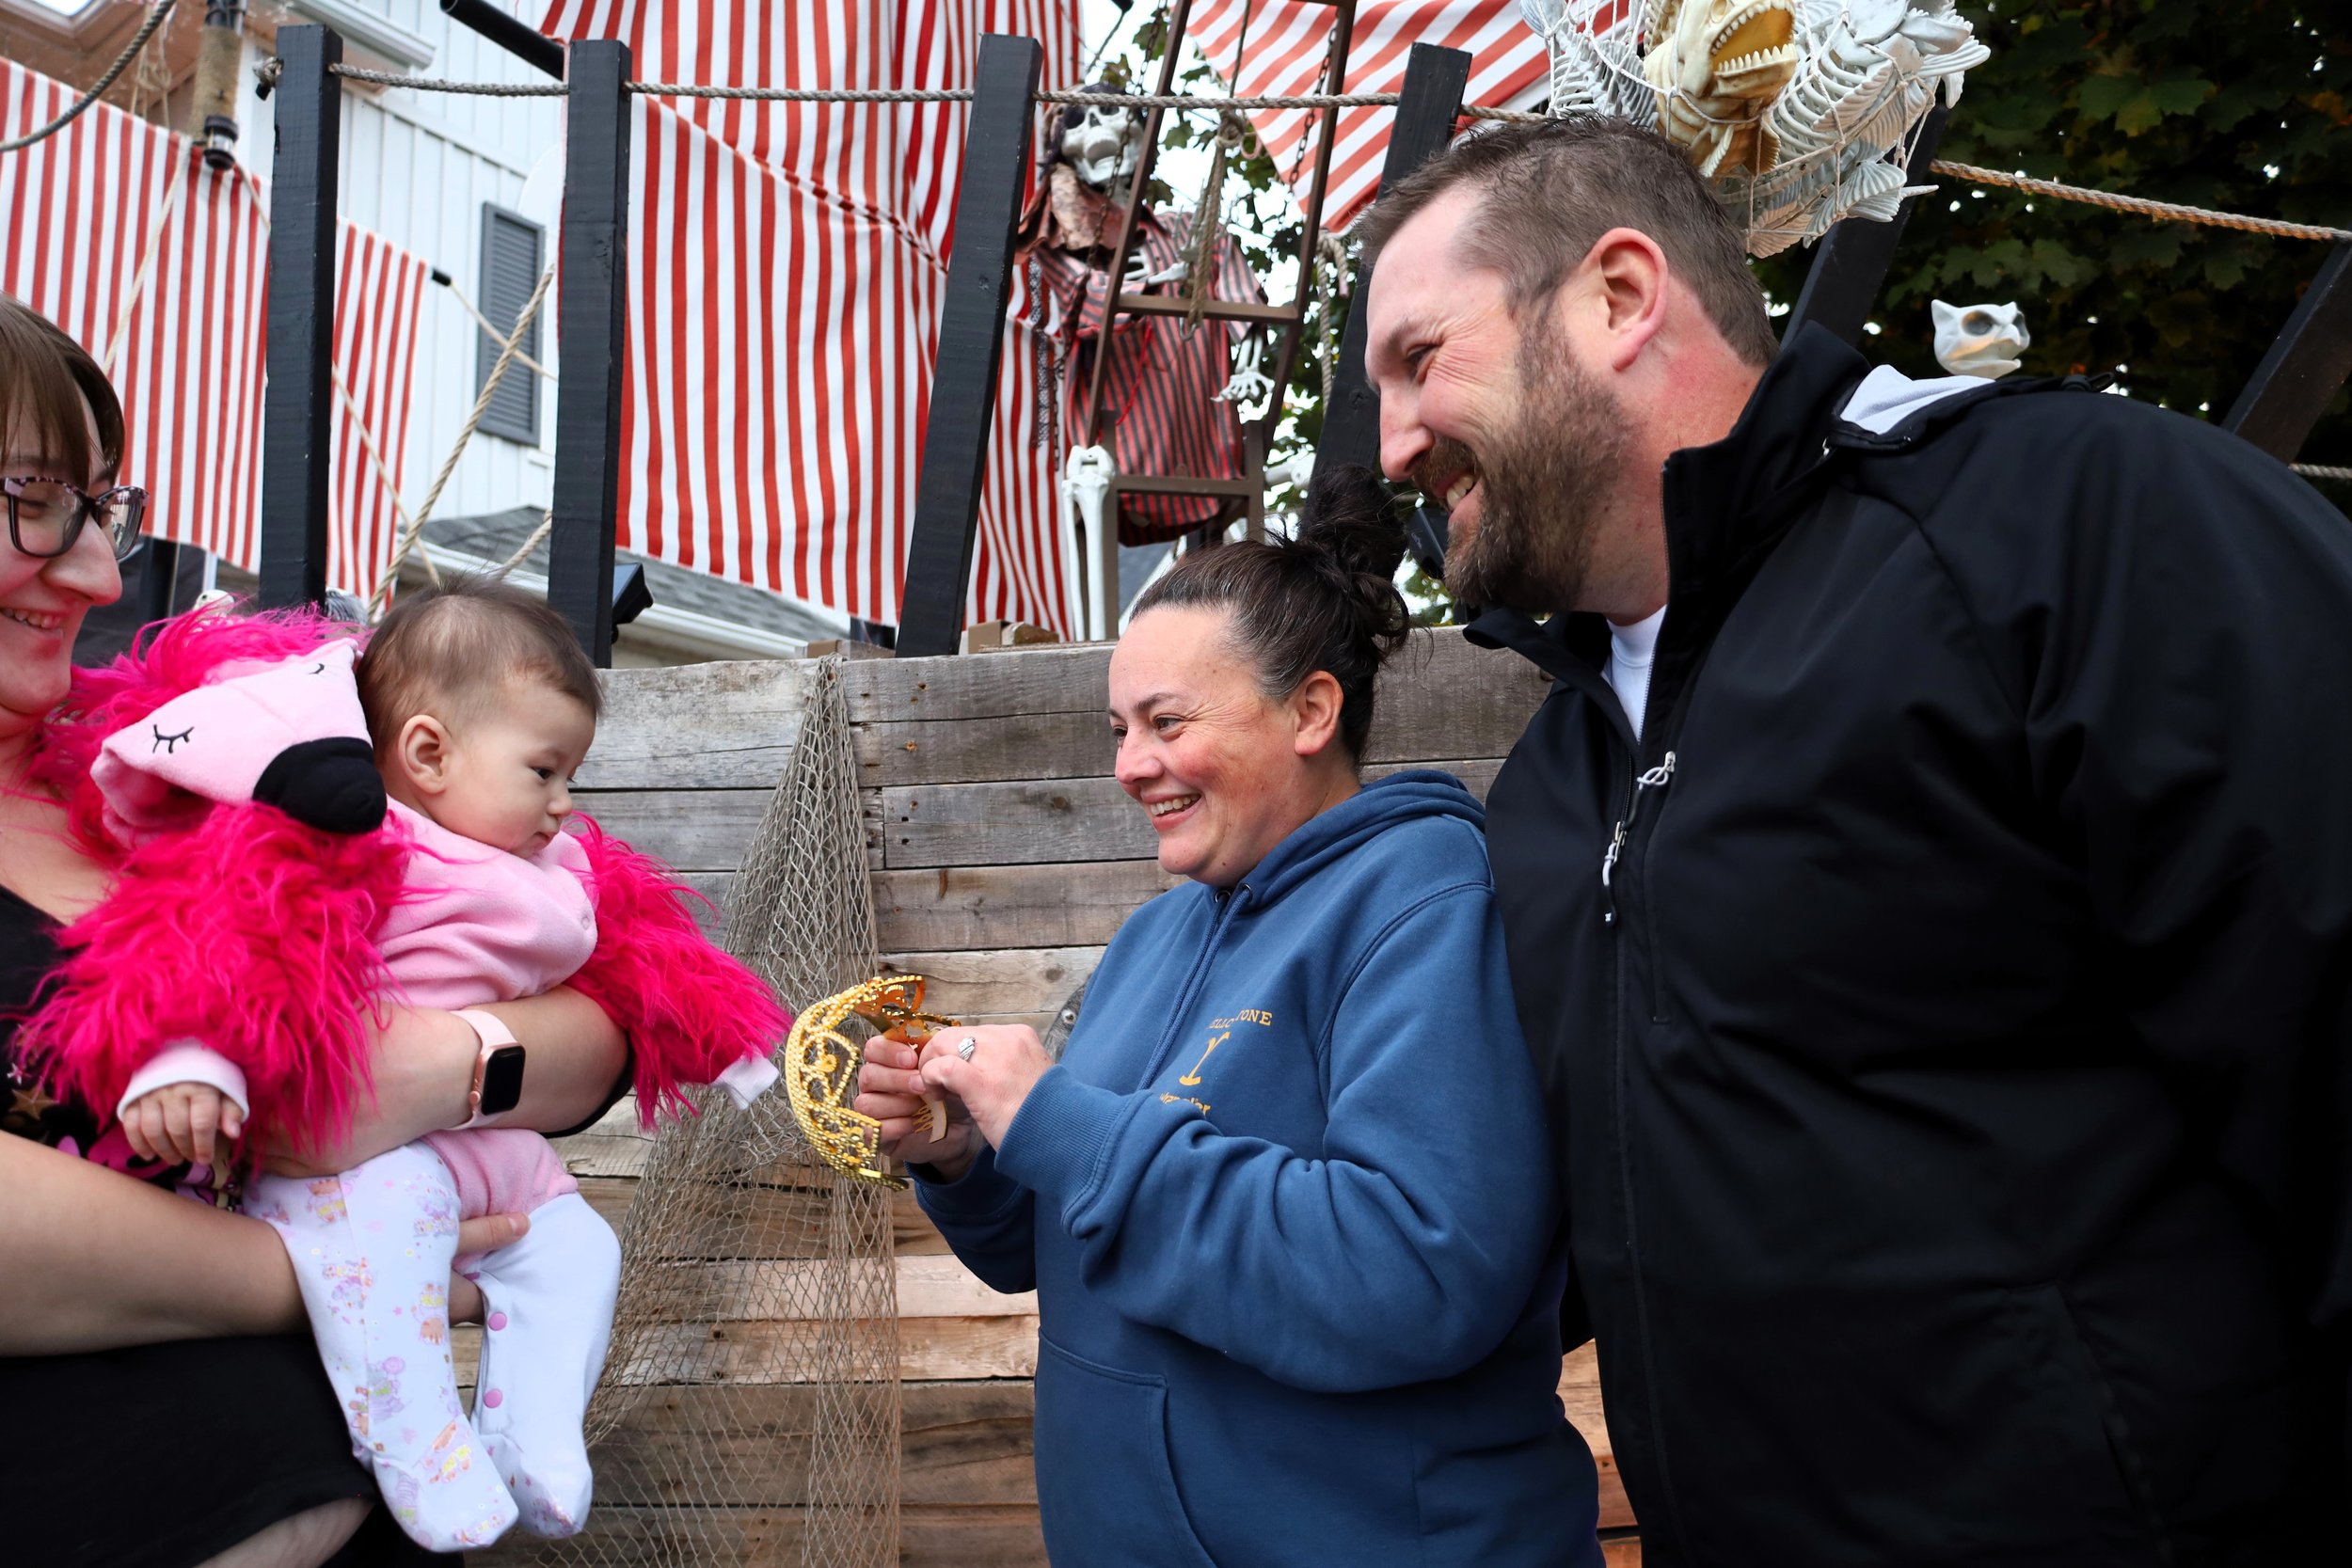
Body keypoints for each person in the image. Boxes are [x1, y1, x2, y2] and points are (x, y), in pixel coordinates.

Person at [1353, 115, 2352, 1563]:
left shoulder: (2062, 520)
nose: (1389, 441)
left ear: (1620, 298)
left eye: (1418, 359)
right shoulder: (1553, 785)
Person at [856, 483, 1604, 1568]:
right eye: (1119, 728)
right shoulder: (1153, 936)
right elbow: (1063, 1241)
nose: (1128, 764)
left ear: (1310, 710)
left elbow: (1415, 1273)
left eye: (1168, 721)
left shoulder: (1433, 900)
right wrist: (967, 1153)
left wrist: (1060, 1118)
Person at [0, 292, 630, 1568]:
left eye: (100, 507)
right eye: (31, 497)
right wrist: (344, 1273)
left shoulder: (175, 765)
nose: (99, 571)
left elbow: (601, 1017)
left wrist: (444, 1063)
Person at [22, 578, 789, 1551]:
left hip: (475, 1141)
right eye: (545, 771)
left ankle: (534, 1430)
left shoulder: (553, 872)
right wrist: (192, 1060)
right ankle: (414, 1439)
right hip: (356, 1174)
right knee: (396, 1239)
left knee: (579, 1247)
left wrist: (724, 1040)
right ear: (427, 751)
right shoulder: (347, 833)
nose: (563, 805)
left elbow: (630, 977)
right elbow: (224, 941)